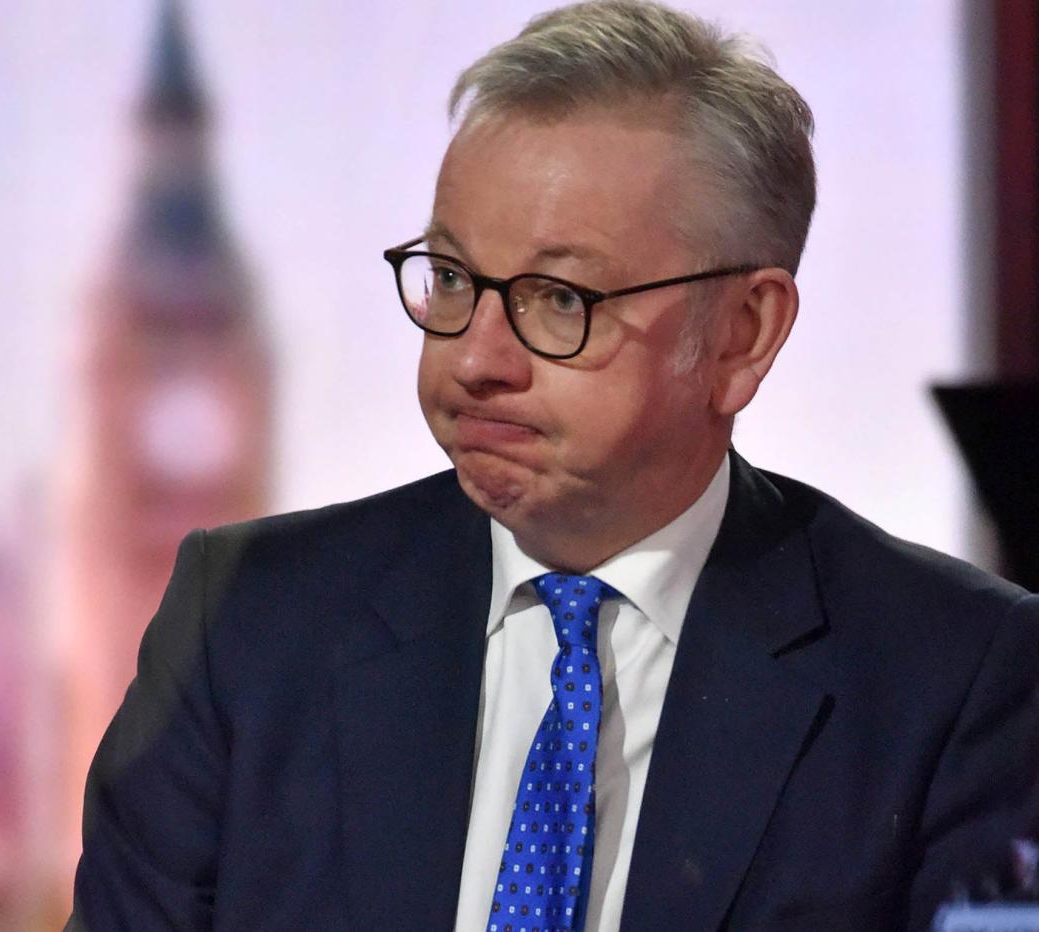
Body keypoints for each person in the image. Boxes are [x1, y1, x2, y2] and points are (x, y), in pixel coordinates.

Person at [67, 2, 1039, 929]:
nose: (476, 357)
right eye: (451, 279)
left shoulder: (956, 678)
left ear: (744, 334)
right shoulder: (245, 623)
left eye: (558, 298)